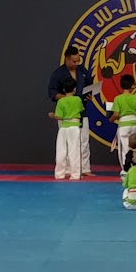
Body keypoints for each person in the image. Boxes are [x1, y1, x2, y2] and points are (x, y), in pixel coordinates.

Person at [47, 46, 96, 177]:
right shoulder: (58, 74)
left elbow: (90, 85)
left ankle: (85, 168)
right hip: (66, 113)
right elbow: (52, 92)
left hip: (81, 110)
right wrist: (68, 99)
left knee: (84, 140)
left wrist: (90, 95)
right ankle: (68, 170)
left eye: (78, 61)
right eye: (74, 61)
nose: (76, 63)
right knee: (67, 144)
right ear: (67, 59)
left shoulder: (82, 71)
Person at [49, 79, 84, 181]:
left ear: (63, 89)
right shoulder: (78, 99)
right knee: (74, 151)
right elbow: (81, 109)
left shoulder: (61, 101)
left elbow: (59, 116)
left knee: (61, 151)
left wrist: (52, 115)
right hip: (74, 126)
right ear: (74, 89)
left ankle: (59, 174)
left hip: (64, 127)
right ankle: (75, 175)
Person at [110, 75, 136, 171]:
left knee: (124, 149)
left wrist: (111, 119)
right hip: (134, 123)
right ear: (132, 86)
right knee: (135, 147)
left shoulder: (118, 99)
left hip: (123, 124)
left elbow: (116, 114)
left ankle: (126, 170)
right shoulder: (135, 98)